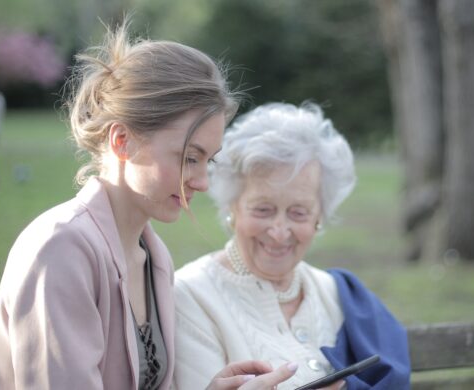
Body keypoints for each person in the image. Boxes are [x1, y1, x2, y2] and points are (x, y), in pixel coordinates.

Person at [0, 22, 298, 390]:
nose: (202, 182)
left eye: (207, 160)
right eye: (188, 158)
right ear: (122, 140)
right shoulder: (60, 250)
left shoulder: (154, 255)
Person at [173, 103, 411, 389]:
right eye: (263, 209)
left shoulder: (340, 295)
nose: (278, 231)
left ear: (319, 218)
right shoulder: (189, 297)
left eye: (298, 213)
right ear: (232, 207)